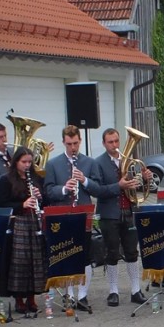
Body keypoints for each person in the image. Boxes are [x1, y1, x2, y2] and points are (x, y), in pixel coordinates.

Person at [43, 125, 103, 312]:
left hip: (82, 213)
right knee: (65, 254)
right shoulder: (53, 164)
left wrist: (84, 180)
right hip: (62, 214)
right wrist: (64, 188)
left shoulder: (90, 163)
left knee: (84, 255)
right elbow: (48, 191)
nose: (73, 148)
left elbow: (98, 189)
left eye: (75, 143)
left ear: (80, 141)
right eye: (69, 144)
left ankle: (82, 296)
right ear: (63, 142)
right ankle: (68, 295)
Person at [94, 128, 151, 306]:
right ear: (104, 144)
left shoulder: (129, 162)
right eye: (110, 142)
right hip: (109, 214)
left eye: (117, 141)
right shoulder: (99, 163)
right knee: (112, 253)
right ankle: (113, 291)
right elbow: (97, 190)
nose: (115, 145)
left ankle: (135, 290)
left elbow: (137, 187)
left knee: (132, 252)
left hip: (129, 211)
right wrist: (118, 185)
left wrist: (146, 178)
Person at [0, 147, 47, 315]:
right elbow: (2, 204)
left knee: (35, 260)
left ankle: (31, 297)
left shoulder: (35, 179)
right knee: (20, 262)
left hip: (34, 223)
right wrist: (21, 205)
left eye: (29, 162)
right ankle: (18, 298)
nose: (27, 165)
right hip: (17, 225)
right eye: (23, 162)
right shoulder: (6, 180)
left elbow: (46, 201)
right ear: (15, 162)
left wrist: (40, 197)